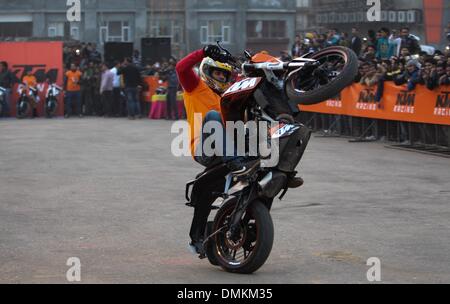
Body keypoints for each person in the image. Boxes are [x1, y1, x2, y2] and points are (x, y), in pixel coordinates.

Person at [176, 45, 304, 256]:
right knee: (214, 117)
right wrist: (204, 51)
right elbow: (181, 68)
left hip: (231, 146)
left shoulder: (229, 95)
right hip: (205, 147)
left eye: (225, 74)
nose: (222, 77)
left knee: (259, 124)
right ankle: (237, 163)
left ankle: (282, 170)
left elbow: (253, 85)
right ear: (207, 71)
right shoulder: (195, 87)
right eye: (218, 72)